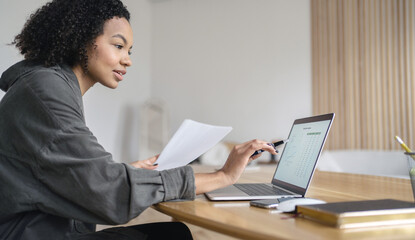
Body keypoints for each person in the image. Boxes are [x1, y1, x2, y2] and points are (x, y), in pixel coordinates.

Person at [0, 0, 277, 239]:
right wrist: (223, 176)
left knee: (173, 232)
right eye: (118, 46)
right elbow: (110, 197)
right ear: (81, 38)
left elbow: (62, 174)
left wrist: (125, 172)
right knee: (174, 235)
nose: (127, 60)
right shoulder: (46, 92)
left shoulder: (45, 86)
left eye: (129, 51)